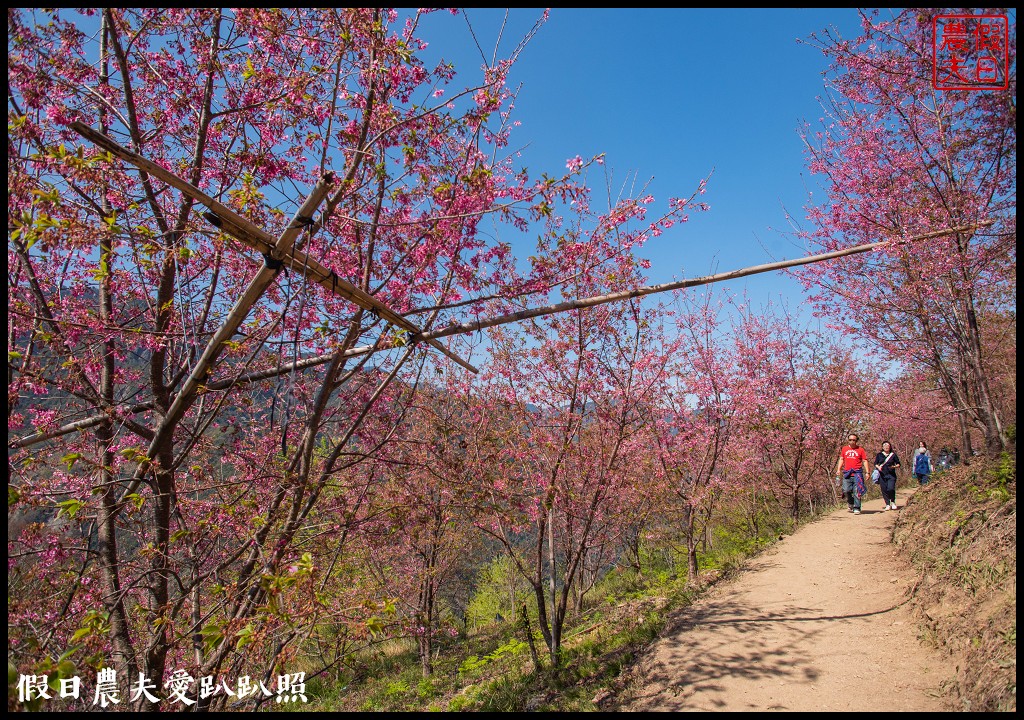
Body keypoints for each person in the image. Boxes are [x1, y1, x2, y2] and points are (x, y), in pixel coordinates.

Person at [835, 433, 870, 515]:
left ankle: (857, 507)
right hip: (847, 473)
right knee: (846, 490)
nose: (852, 441)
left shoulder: (860, 450)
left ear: (856, 440)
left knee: (857, 491)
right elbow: (841, 459)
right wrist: (838, 469)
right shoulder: (844, 449)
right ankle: (850, 502)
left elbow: (864, 461)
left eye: (853, 440)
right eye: (850, 440)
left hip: (857, 473)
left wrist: (867, 472)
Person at [874, 440, 901, 510]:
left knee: (890, 488)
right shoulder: (879, 455)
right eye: (885, 445)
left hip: (891, 475)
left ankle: (893, 501)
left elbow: (898, 464)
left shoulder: (893, 455)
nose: (886, 447)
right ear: (882, 447)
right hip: (882, 475)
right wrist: (878, 467)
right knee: (884, 490)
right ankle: (887, 504)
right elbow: (875, 463)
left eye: (888, 446)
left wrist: (894, 467)